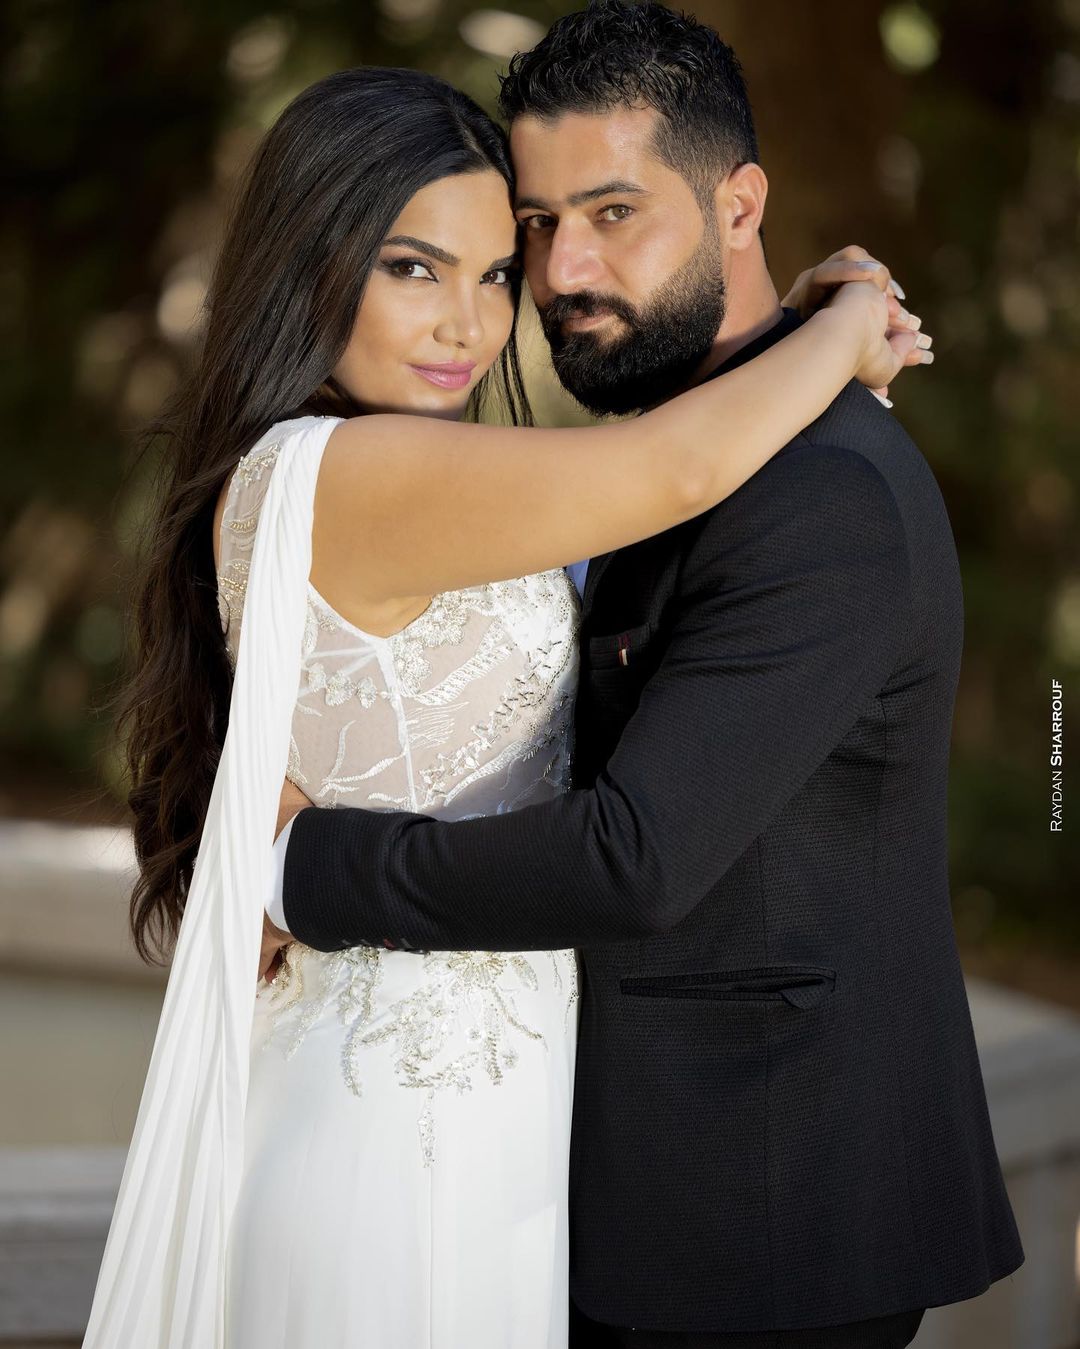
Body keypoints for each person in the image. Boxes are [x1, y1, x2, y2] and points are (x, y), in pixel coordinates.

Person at [80, 34, 927, 1349]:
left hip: (492, 1122)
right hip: (397, 1126)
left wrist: (799, 336)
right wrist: (841, 329)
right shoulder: (352, 472)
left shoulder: (391, 473)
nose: (471, 323)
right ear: (309, 259)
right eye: (412, 267)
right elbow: (672, 471)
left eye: (490, 271)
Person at [263, 5, 1025, 1349]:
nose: (565, 270)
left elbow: (635, 857)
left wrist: (297, 868)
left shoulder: (822, 493)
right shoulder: (675, 448)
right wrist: (829, 322)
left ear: (741, 205)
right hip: (614, 1195)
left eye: (615, 213)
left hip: (759, 1221)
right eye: (540, 226)